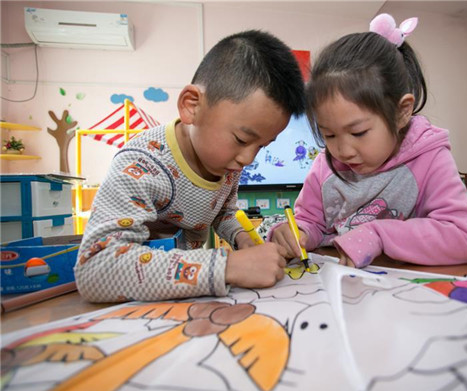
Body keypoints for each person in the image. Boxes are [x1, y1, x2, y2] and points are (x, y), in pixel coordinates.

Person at [75, 30, 305, 302]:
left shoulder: (226, 163)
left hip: (184, 299)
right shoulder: (140, 165)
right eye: (242, 139)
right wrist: (226, 267)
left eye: (262, 146)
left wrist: (242, 238)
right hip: (131, 304)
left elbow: (222, 212)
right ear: (191, 105)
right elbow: (95, 268)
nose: (248, 159)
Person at [269, 14, 467, 268]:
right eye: (329, 135)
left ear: (401, 112)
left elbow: (465, 237)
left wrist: (380, 235)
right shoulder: (325, 166)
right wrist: (296, 233)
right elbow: (310, 222)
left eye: (358, 133)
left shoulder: (429, 158)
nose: (343, 151)